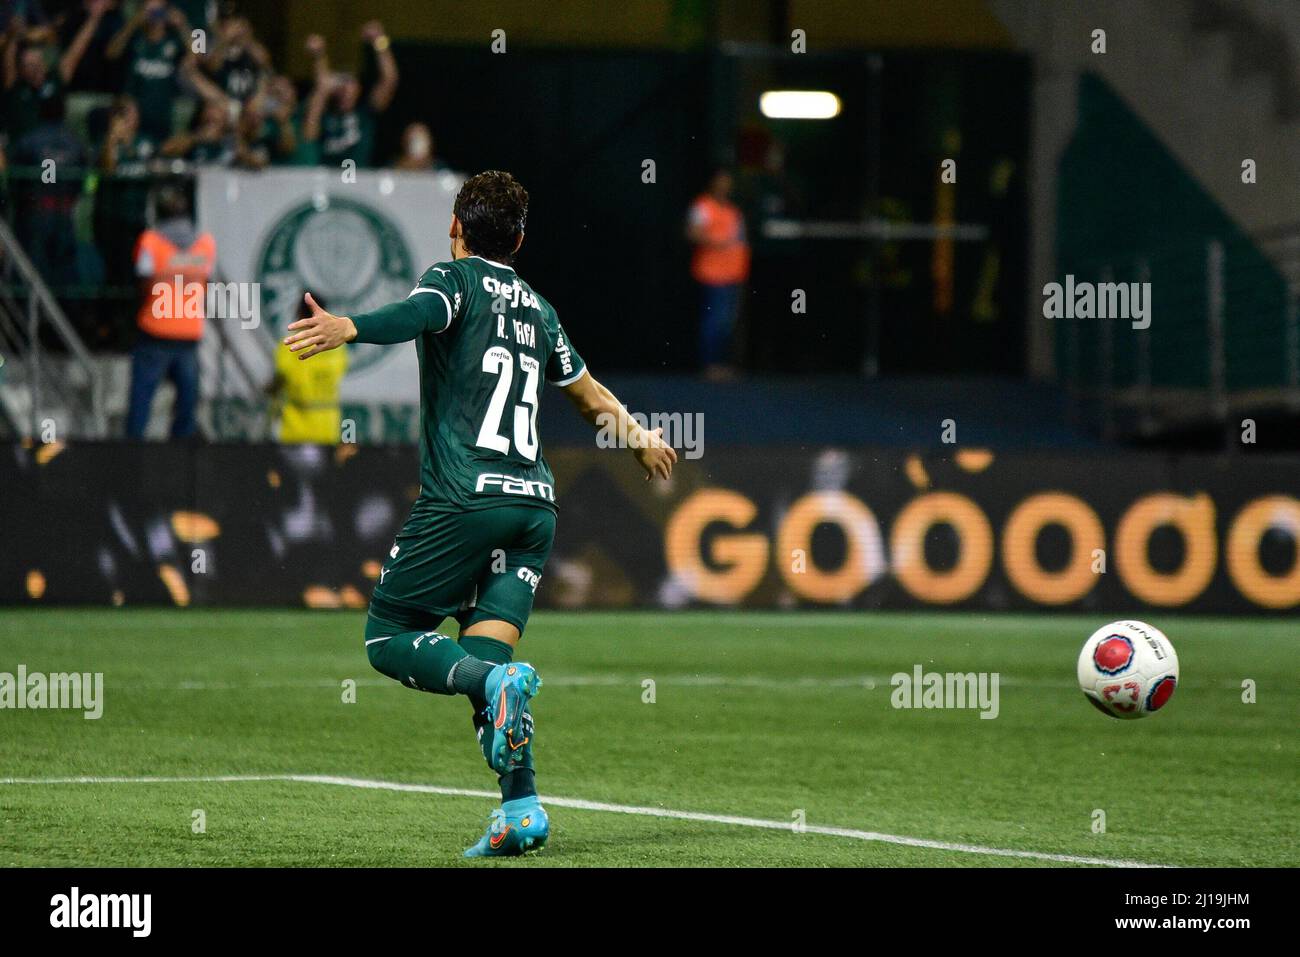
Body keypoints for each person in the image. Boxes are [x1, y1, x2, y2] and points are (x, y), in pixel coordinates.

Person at [284, 170, 677, 857]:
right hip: (532, 510)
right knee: (488, 664)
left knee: (387, 635)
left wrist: (349, 324)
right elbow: (587, 398)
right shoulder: (540, 309)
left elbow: (419, 314)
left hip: (466, 500)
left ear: (455, 228)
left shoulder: (454, 280)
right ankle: (521, 807)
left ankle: (494, 688)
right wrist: (640, 438)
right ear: (520, 239)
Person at [124, 186, 216, 439]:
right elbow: (205, 282)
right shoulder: (205, 244)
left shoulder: (150, 241)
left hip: (154, 332)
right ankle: (180, 460)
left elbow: (142, 281)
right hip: (188, 334)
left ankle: (131, 459)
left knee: (141, 402)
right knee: (188, 404)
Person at [301, 20, 397, 168]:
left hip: (356, 184)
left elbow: (389, 80)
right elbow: (308, 137)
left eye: (350, 82)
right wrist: (318, 56)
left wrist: (380, 40)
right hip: (325, 183)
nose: (345, 89)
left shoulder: (365, 113)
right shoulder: (323, 114)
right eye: (341, 83)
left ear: (358, 88)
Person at [686, 168, 750, 379]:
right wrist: (717, 242)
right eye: (721, 181)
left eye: (728, 182)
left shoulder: (733, 210)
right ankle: (710, 364)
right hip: (712, 274)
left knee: (728, 321)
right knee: (714, 320)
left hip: (733, 274)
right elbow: (691, 233)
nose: (725, 186)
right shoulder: (703, 206)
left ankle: (722, 364)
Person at [270, 295, 347, 444]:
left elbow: (281, 376)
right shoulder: (337, 347)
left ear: (299, 313)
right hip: (328, 429)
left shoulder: (290, 345)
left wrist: (269, 388)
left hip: (296, 430)